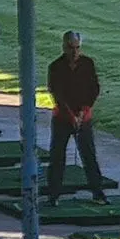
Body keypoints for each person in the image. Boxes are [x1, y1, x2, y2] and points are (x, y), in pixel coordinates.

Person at [45, 30, 105, 206]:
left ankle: (98, 193)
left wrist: (83, 111)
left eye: (77, 48)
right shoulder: (55, 67)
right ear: (64, 47)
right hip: (62, 118)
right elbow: (57, 93)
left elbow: (94, 89)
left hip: (83, 117)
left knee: (89, 156)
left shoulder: (87, 64)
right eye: (71, 48)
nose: (74, 52)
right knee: (57, 157)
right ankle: (53, 195)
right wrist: (71, 115)